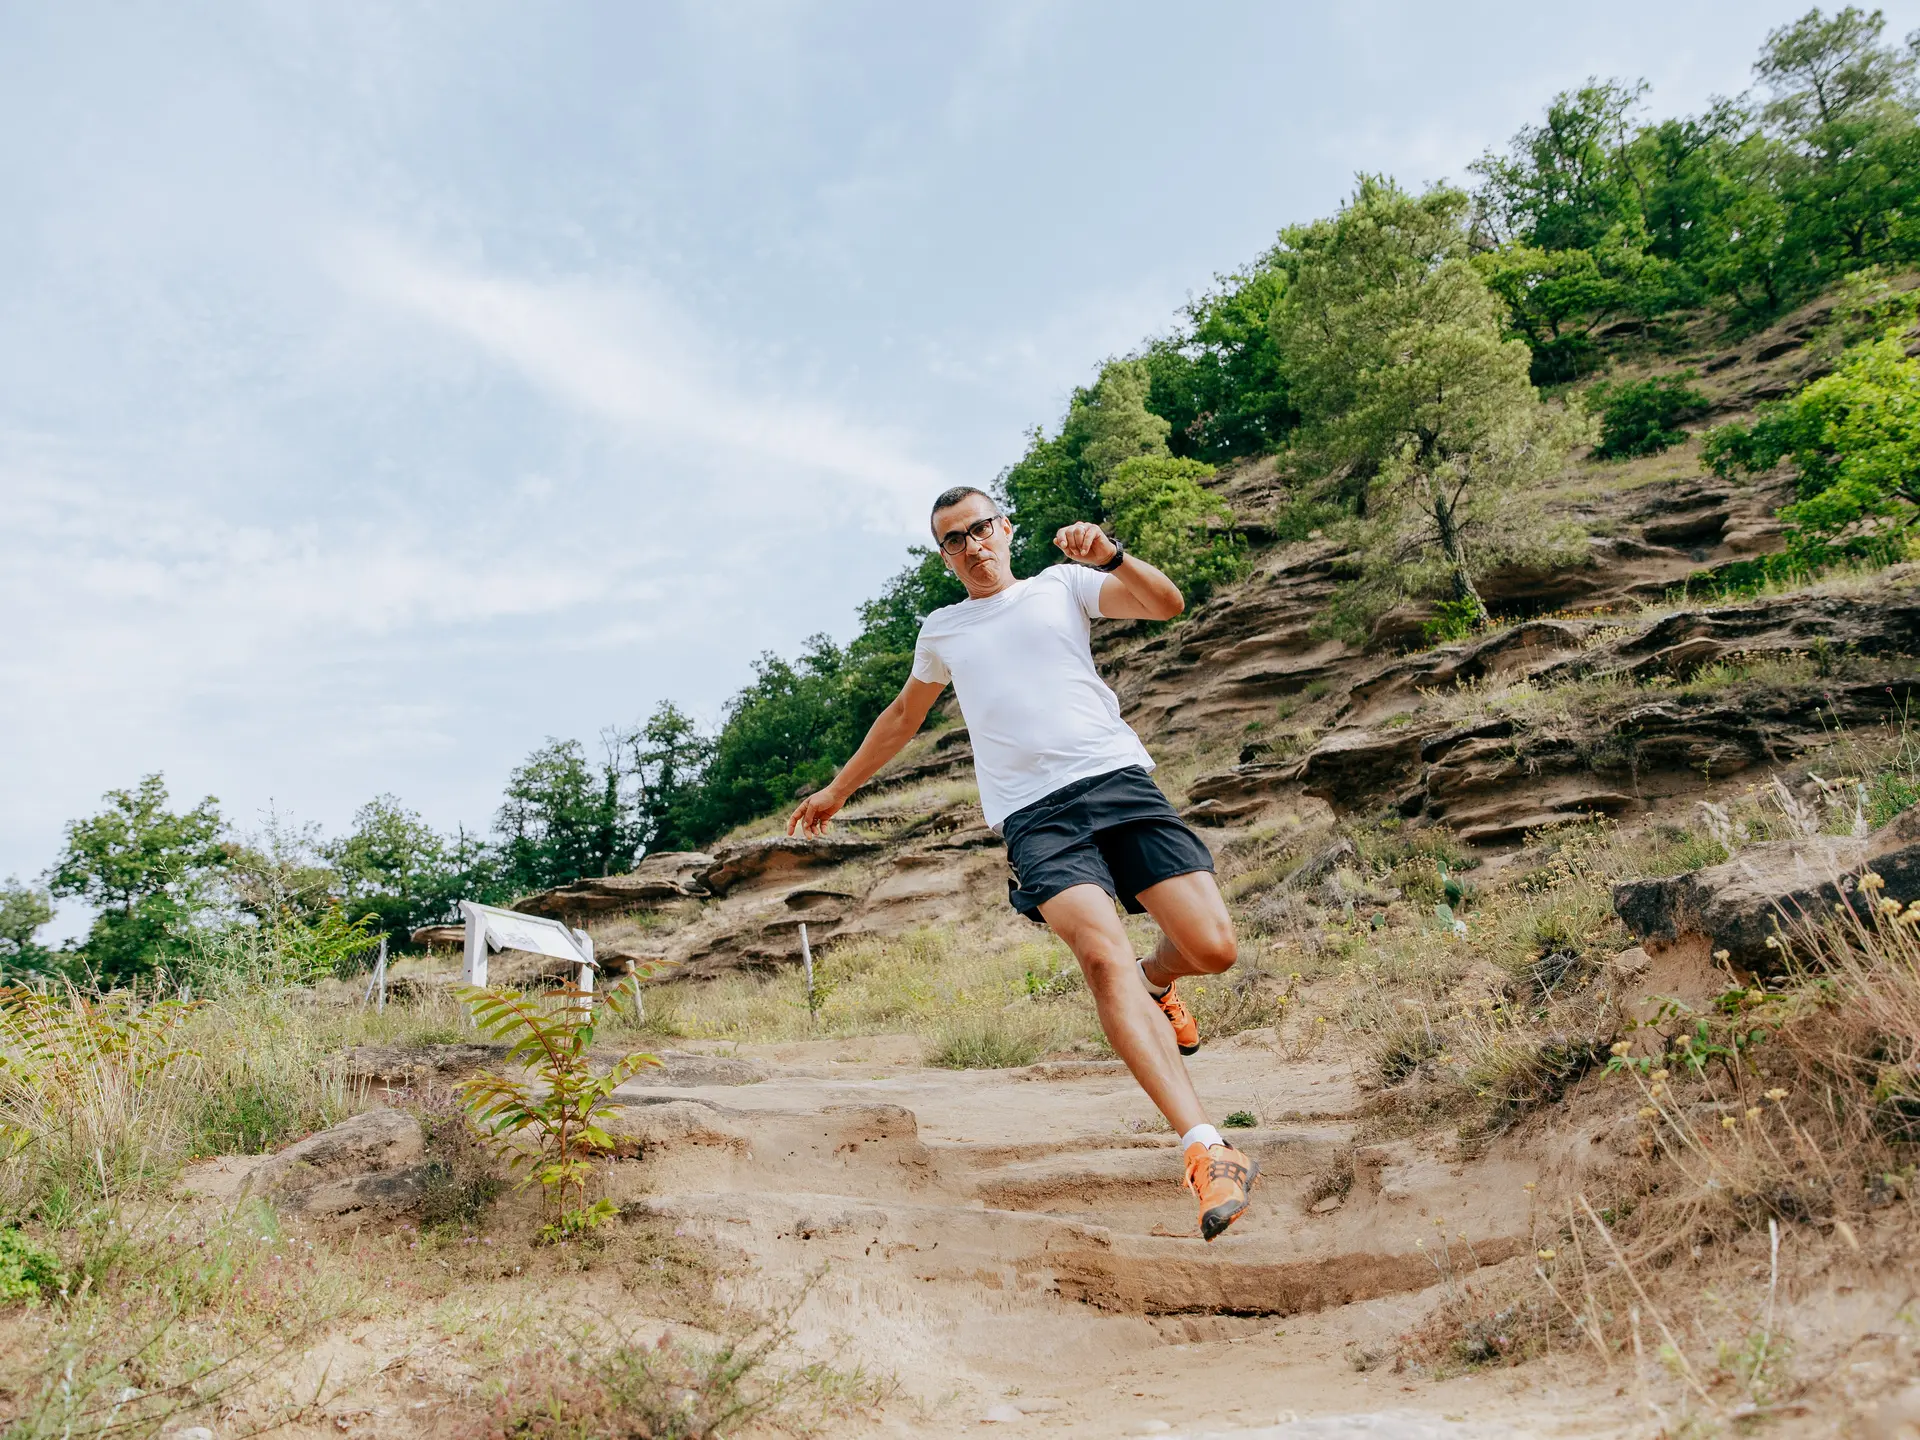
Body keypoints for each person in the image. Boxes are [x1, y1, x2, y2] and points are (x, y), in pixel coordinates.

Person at [789, 485, 1258, 1241]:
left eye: (981, 528)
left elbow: (1167, 604)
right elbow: (903, 717)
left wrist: (1112, 555)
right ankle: (1206, 1149)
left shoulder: (1062, 586)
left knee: (1213, 947)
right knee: (1101, 959)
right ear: (943, 557)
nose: (972, 545)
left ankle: (1159, 980)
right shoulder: (942, 630)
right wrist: (837, 790)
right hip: (1035, 816)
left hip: (1116, 782)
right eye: (953, 539)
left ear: (1006, 529)